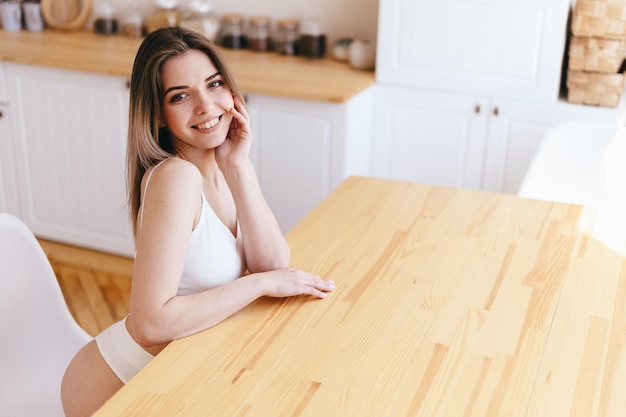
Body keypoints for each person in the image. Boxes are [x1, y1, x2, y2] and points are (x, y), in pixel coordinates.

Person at [60, 26, 335, 417]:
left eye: (214, 84)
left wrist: (238, 166)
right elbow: (150, 324)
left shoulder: (221, 164)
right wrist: (261, 285)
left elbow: (273, 264)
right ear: (157, 112)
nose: (206, 106)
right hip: (118, 390)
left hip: (181, 374)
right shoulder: (177, 176)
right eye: (181, 96)